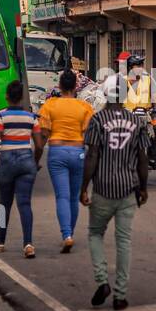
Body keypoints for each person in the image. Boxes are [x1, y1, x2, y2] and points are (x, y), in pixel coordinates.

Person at [81, 82, 150, 311]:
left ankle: (102, 281)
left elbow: (92, 155)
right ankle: (120, 295)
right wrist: (143, 187)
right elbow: (142, 158)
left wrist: (84, 187)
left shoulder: (97, 120)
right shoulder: (137, 122)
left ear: (106, 95)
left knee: (95, 234)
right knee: (124, 241)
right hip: (128, 189)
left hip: (103, 189)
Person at [0, 80, 43, 257]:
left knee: (3, 204)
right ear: (22, 98)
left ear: (7, 97)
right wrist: (34, 162)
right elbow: (39, 145)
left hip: (6, 162)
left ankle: (0, 242)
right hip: (25, 161)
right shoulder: (31, 118)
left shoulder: (1, 117)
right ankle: (28, 244)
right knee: (24, 204)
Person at [37, 69, 95, 253]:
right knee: (73, 197)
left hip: (57, 152)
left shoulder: (49, 105)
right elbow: (89, 135)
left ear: (60, 86)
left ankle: (66, 235)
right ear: (75, 87)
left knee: (62, 196)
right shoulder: (85, 107)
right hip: (78, 152)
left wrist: (35, 158)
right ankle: (71, 233)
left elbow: (43, 135)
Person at [123, 52, 156, 169]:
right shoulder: (121, 81)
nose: (140, 68)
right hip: (126, 114)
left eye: (141, 65)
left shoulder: (148, 79)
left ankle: (153, 157)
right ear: (130, 68)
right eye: (137, 65)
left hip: (148, 113)